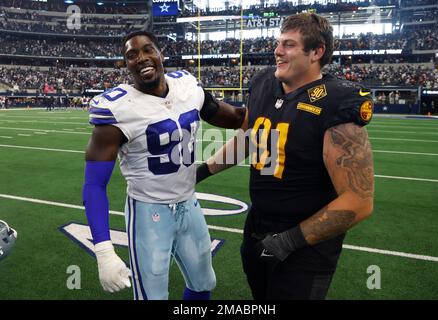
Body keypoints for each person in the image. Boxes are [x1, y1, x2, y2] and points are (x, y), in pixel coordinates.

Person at [196, 13, 375, 300]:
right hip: (258, 227)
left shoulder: (337, 102)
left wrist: (288, 242)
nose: (278, 51)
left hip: (306, 246)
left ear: (317, 52)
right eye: (279, 43)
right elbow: (248, 137)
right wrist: (200, 173)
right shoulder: (264, 82)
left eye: (289, 45)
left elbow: (359, 201)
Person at [82, 30, 245, 300]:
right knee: (152, 296)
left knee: (204, 282)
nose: (141, 58)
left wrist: (275, 110)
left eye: (148, 50)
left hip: (189, 204)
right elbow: (94, 185)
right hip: (148, 212)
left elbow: (233, 117)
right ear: (126, 65)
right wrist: (103, 249)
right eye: (132, 55)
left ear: (160, 54)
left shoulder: (187, 87)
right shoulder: (117, 109)